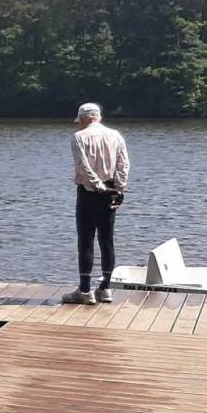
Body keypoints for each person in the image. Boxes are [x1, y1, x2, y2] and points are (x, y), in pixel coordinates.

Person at [62, 102, 130, 305]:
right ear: (98, 117)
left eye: (79, 121)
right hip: (111, 191)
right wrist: (118, 188)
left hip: (89, 192)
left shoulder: (79, 137)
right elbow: (123, 164)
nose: (78, 124)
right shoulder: (116, 135)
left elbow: (83, 166)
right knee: (107, 240)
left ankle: (85, 290)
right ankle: (105, 288)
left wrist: (98, 186)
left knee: (86, 240)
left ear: (84, 119)